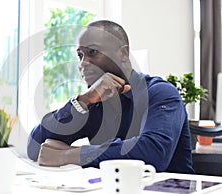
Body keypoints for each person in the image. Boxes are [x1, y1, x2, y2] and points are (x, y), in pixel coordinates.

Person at [27, 20, 194, 173]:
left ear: (123, 53)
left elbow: (153, 153)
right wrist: (83, 101)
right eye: (80, 55)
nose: (82, 63)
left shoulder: (160, 93)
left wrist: (67, 155)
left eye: (92, 52)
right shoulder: (93, 102)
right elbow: (35, 146)